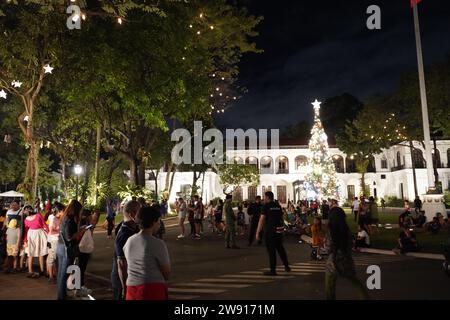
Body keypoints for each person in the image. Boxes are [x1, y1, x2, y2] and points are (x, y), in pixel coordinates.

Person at [123, 206, 171, 300]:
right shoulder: (157, 243)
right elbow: (166, 272)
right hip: (152, 289)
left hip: (132, 289)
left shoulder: (129, 241)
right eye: (159, 221)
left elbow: (126, 263)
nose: (159, 224)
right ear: (153, 221)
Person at [325, 199, 369, 300]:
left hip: (333, 261)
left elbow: (327, 248)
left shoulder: (330, 232)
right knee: (356, 283)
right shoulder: (347, 231)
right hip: (346, 259)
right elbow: (351, 244)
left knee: (329, 287)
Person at [112, 200, 141, 300]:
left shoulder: (127, 226)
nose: (141, 215)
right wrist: (125, 288)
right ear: (132, 214)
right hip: (122, 280)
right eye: (140, 211)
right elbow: (121, 264)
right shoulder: (124, 235)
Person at [256, 191, 290, 276]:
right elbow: (282, 217)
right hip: (279, 231)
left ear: (267, 197)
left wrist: (258, 232)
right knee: (280, 249)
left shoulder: (266, 206)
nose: (263, 198)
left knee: (271, 251)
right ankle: (286, 266)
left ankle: (273, 270)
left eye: (264, 197)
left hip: (270, 231)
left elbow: (262, 220)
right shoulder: (277, 206)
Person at [56, 200, 83, 300]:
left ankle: (61, 294)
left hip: (60, 247)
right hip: (66, 249)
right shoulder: (69, 219)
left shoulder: (64, 217)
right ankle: (61, 296)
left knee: (60, 274)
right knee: (63, 274)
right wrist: (79, 232)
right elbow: (69, 237)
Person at [24, 206, 49, 278]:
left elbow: (44, 224)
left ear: (30, 210)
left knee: (41, 252)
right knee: (30, 253)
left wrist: (48, 234)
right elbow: (26, 230)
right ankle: (30, 271)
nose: (25, 212)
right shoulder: (26, 219)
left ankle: (42, 270)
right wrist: (25, 241)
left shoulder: (38, 215)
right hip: (31, 235)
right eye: (24, 211)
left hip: (40, 234)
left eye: (26, 210)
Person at [47, 202, 64, 284]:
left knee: (56, 259)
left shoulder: (60, 218)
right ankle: (51, 276)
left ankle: (55, 274)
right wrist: (60, 230)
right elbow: (51, 231)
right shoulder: (53, 218)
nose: (63, 212)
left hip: (56, 240)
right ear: (59, 211)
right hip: (53, 240)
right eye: (62, 211)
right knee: (52, 258)